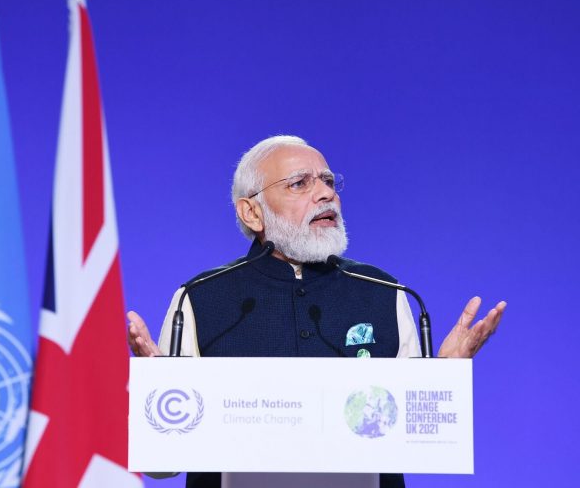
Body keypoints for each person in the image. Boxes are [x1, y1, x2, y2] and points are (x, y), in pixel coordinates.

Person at [127, 135, 505, 488]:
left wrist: (443, 383)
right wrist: (157, 406)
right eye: (299, 184)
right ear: (252, 213)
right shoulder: (200, 297)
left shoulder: (384, 292)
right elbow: (163, 467)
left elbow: (418, 443)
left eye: (328, 181)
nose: (326, 194)